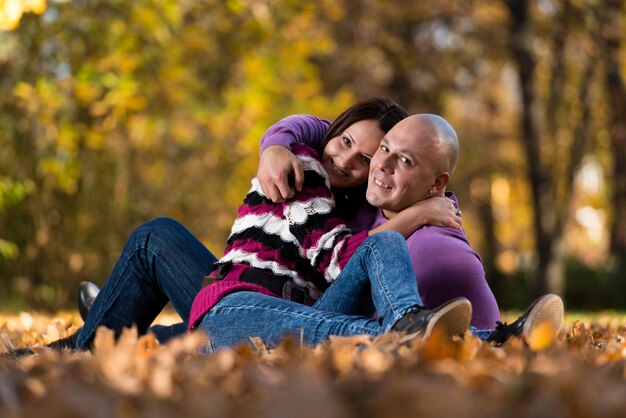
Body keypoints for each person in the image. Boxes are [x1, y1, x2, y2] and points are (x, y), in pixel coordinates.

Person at [6, 98, 466, 357]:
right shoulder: (303, 169)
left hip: (288, 309)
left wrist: (428, 206)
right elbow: (313, 135)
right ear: (334, 130)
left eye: (367, 158)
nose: (347, 160)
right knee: (156, 235)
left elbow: (420, 184)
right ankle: (92, 335)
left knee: (163, 342)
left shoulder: (372, 202)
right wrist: (275, 144)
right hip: (241, 295)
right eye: (345, 142)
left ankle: (101, 325)